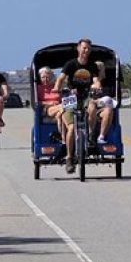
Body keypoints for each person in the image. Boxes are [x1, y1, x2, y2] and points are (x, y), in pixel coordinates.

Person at [53, 38, 113, 173]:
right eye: (84, 48)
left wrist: (97, 86)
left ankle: (91, 135)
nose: (86, 51)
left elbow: (96, 80)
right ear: (78, 49)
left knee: (92, 104)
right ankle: (69, 158)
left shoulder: (91, 65)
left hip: (86, 95)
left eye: (88, 49)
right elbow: (61, 78)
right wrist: (57, 87)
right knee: (72, 127)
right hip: (71, 97)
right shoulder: (70, 64)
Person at [36, 66, 66, 141]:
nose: (45, 79)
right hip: (47, 108)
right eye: (43, 77)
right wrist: (49, 102)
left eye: (47, 77)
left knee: (60, 115)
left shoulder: (56, 86)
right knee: (63, 106)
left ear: (51, 77)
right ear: (40, 78)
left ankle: (63, 138)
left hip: (58, 108)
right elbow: (37, 102)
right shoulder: (38, 88)